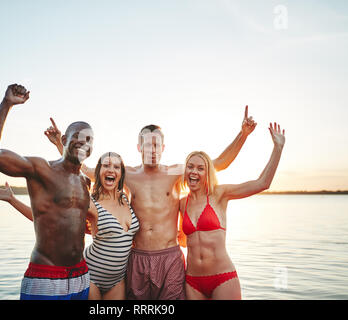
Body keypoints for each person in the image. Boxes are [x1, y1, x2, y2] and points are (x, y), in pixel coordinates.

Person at [45, 106, 257, 300]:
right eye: (147, 144)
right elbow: (90, 171)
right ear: (139, 147)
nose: (152, 149)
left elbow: (218, 163)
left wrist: (243, 135)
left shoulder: (175, 172)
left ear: (163, 147)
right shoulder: (128, 174)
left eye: (156, 144)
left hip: (170, 257)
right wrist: (59, 144)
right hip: (137, 258)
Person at [0, 84, 94, 300]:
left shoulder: (84, 181)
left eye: (89, 139)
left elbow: (60, 220)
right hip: (46, 278)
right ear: (64, 140)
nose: (83, 142)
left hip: (81, 276)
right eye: (77, 136)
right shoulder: (41, 168)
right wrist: (7, 105)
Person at [0, 152, 140, 300]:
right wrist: (13, 200)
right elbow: (47, 218)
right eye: (106, 165)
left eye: (116, 167)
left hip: (118, 280)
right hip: (92, 276)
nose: (111, 169)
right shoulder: (90, 202)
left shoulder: (126, 197)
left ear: (121, 173)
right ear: (99, 171)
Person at [180, 122, 285, 300]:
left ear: (208, 174)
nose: (194, 172)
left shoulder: (219, 194)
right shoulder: (182, 203)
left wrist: (278, 148)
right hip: (192, 281)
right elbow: (183, 240)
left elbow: (262, 183)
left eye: (200, 168)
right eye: (190, 167)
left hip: (222, 279)